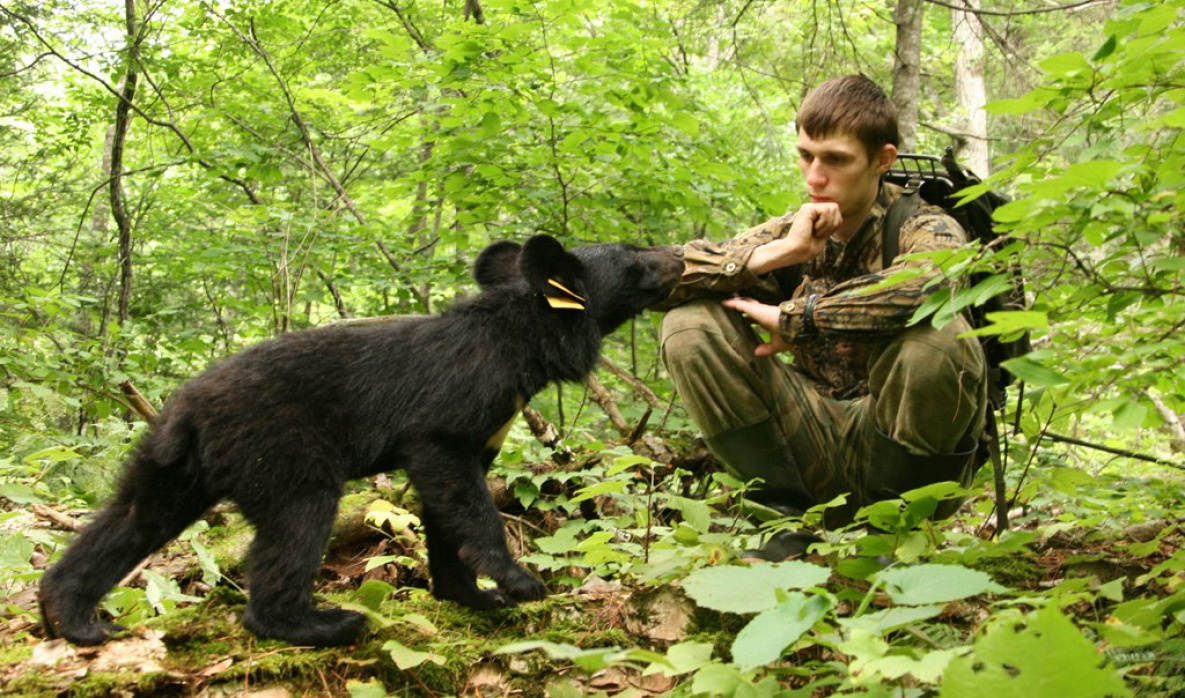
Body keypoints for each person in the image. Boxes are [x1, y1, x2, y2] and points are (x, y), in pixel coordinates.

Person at [659, 75, 988, 559]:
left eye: (835, 159)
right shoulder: (797, 230)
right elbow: (663, 277)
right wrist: (768, 257)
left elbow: (925, 285)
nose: (814, 176)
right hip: (808, 438)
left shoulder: (925, 224)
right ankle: (783, 525)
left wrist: (799, 318)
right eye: (805, 156)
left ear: (882, 160)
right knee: (688, 325)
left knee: (941, 336)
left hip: (900, 446)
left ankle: (893, 536)